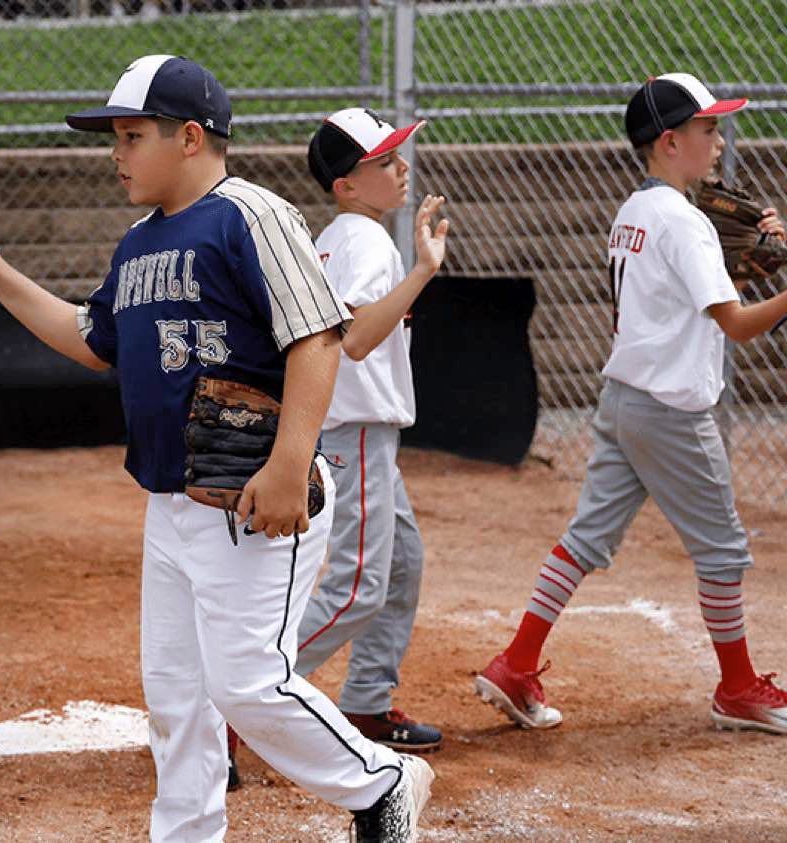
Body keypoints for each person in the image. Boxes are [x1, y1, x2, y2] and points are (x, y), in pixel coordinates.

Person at [0, 54, 433, 843]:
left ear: (192, 137)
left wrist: (286, 463)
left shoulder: (250, 214)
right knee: (176, 695)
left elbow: (317, 338)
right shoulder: (139, 242)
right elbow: (90, 336)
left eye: (133, 136)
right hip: (171, 499)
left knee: (247, 683)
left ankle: (381, 781)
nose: (116, 152)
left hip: (247, 493)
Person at [474, 74, 787, 735]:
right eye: (708, 129)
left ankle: (516, 662)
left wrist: (735, 268)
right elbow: (734, 324)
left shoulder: (635, 211)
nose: (721, 143)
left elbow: (684, 297)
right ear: (670, 141)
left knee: (586, 538)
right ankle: (737, 687)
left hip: (623, 399)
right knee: (724, 550)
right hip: (671, 410)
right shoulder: (685, 222)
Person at [295, 109, 448, 750]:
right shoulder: (364, 239)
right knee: (358, 587)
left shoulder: (340, 235)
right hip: (355, 430)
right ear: (347, 186)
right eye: (383, 161)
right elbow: (353, 338)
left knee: (403, 562)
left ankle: (364, 701)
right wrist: (422, 271)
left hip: (358, 430)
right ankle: (237, 692)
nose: (401, 166)